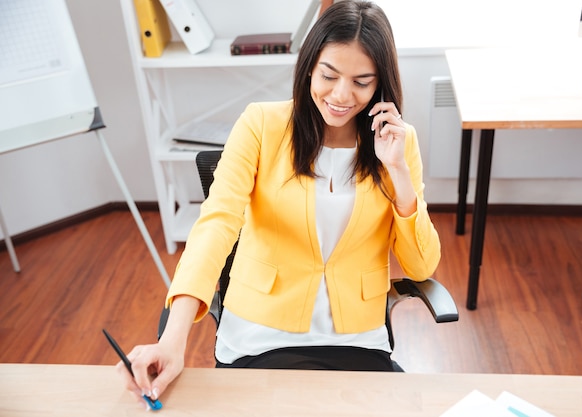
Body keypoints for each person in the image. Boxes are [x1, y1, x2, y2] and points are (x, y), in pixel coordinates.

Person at [118, 0, 440, 407]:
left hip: (357, 342)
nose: (341, 95)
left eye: (362, 81)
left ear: (381, 85)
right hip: (259, 336)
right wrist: (172, 340)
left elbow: (421, 266)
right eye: (329, 75)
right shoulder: (261, 125)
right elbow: (216, 225)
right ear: (309, 66)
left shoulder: (397, 141)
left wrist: (398, 173)